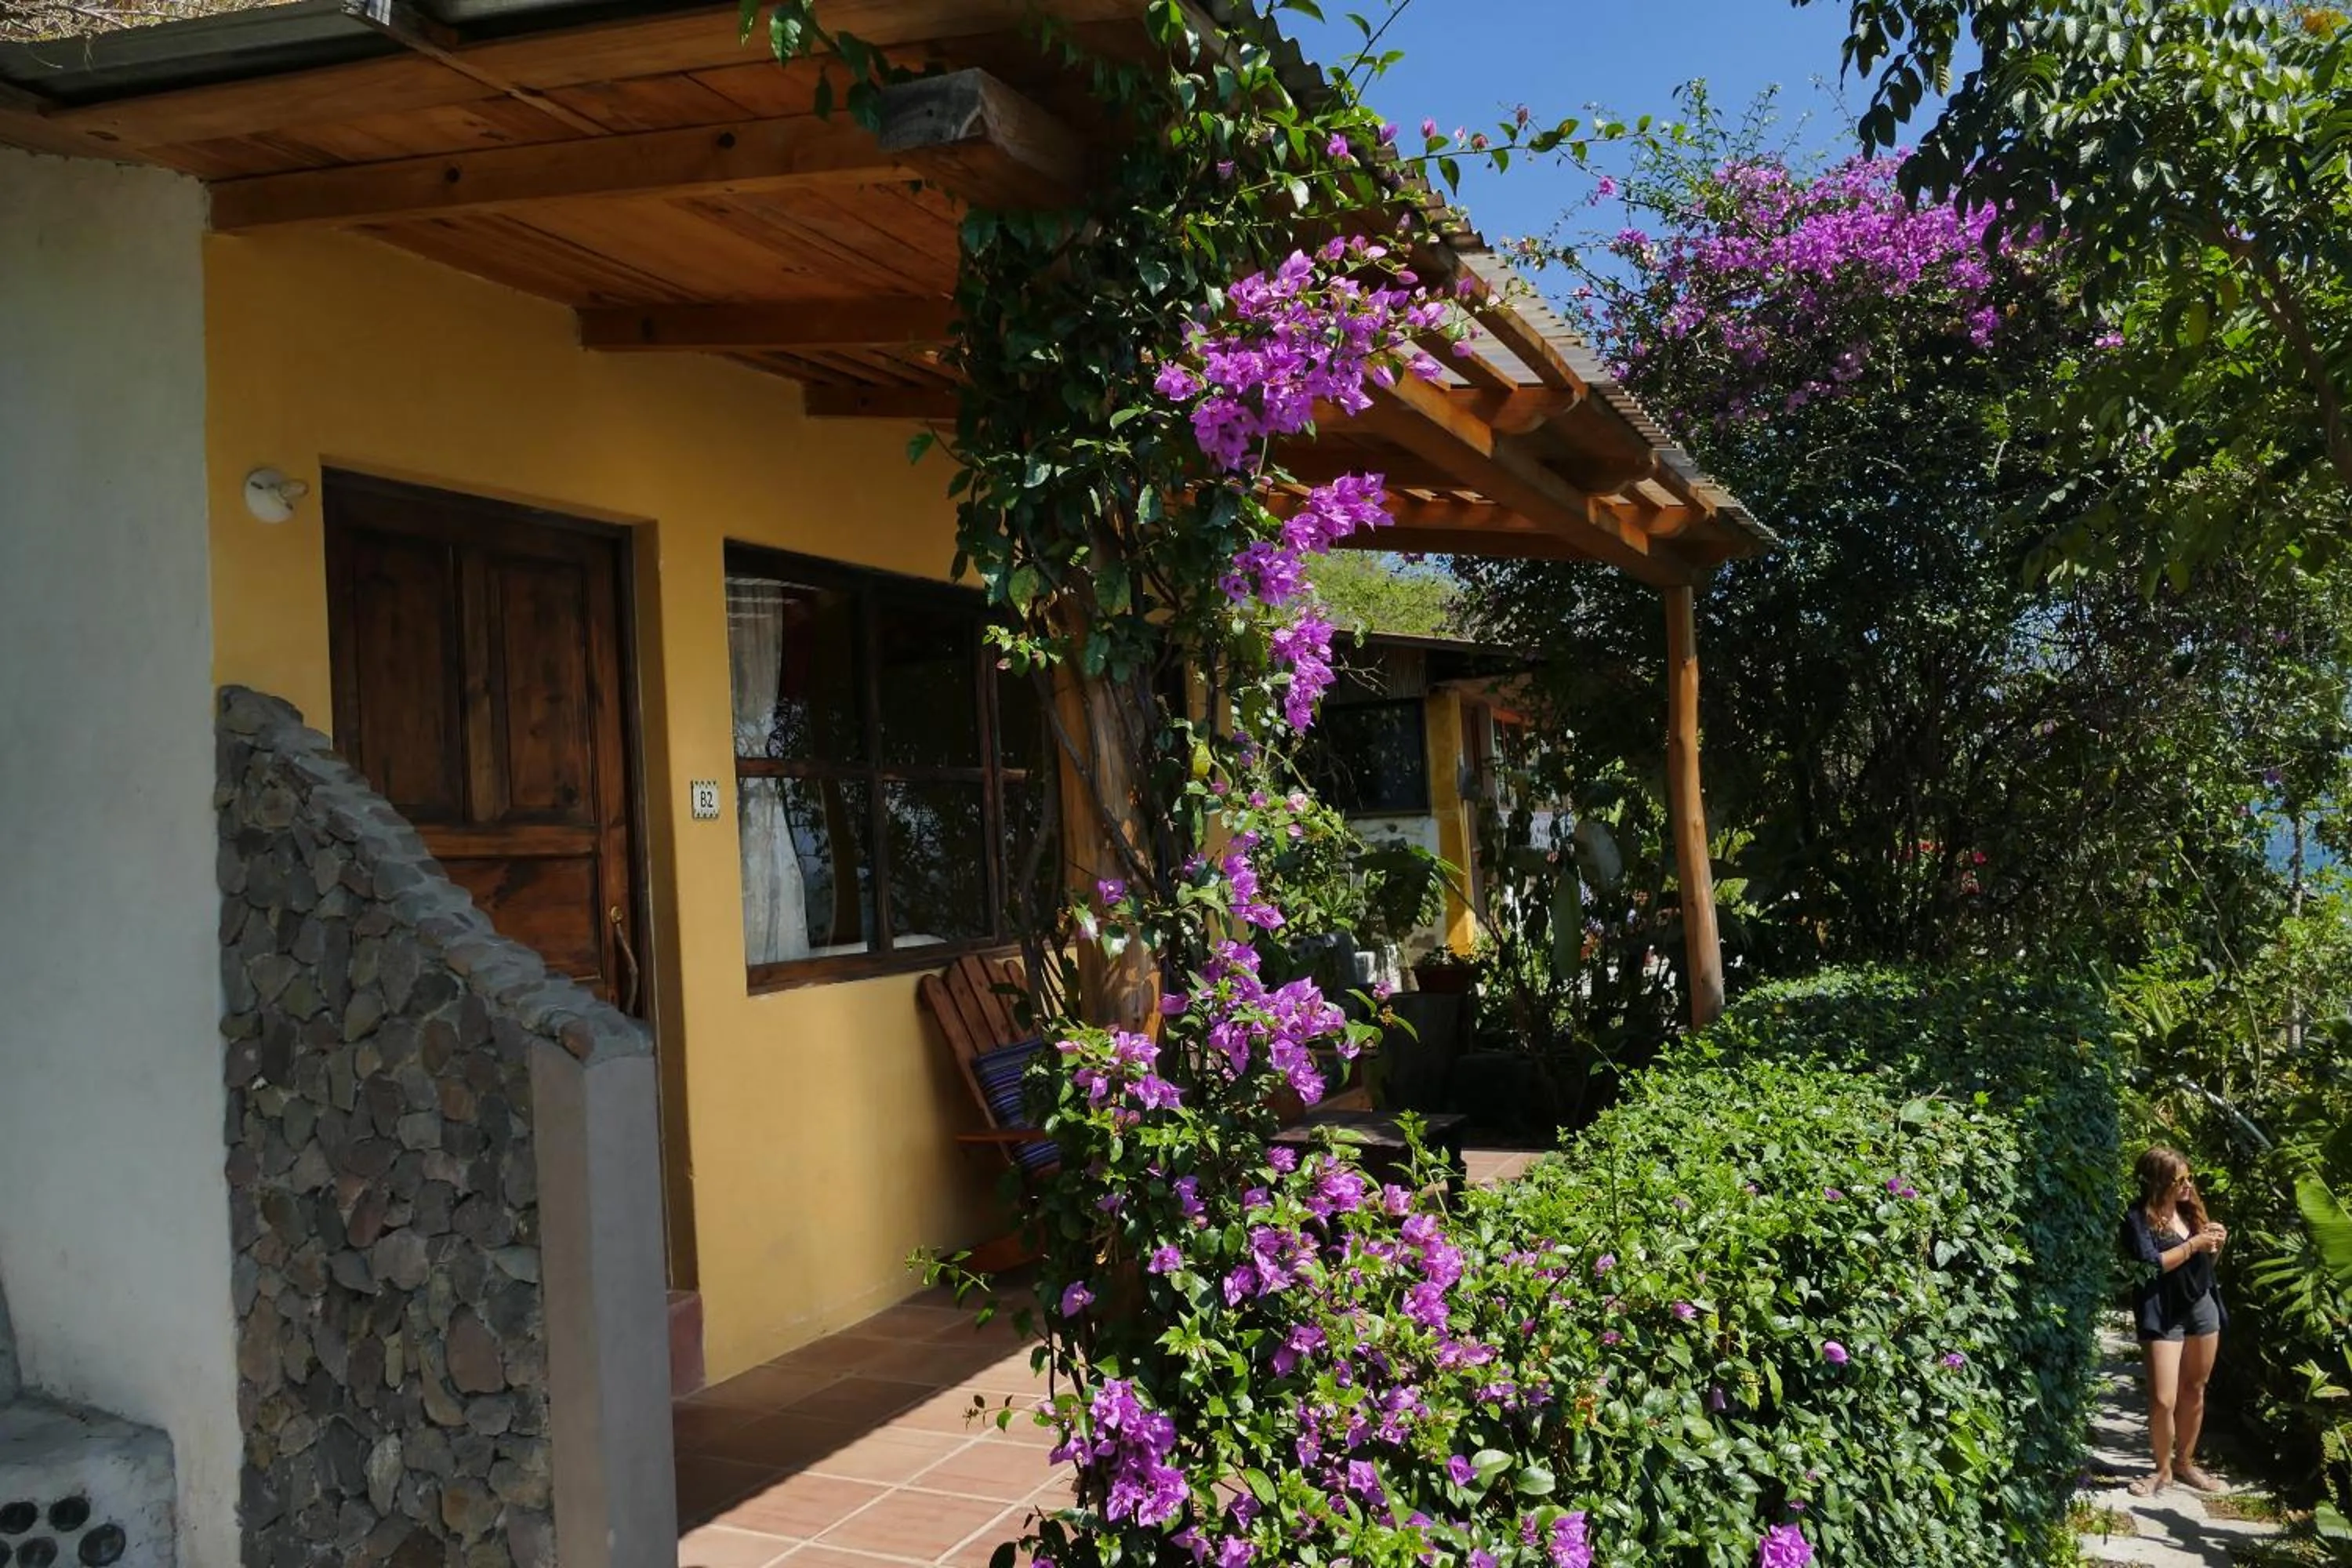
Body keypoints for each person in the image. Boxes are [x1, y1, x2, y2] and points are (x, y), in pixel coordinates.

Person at [2119, 1145, 2230, 1496]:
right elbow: (2151, 1265)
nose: (2187, 1186)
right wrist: (2195, 1244)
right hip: (2162, 1310)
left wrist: (2215, 1245)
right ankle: (2162, 1471)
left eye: (2189, 1178)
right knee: (2163, 1398)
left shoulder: (2191, 1211)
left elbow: (2204, 1265)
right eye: (2179, 1180)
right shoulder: (2137, 1218)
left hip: (2201, 1306)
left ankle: (2184, 1463)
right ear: (2157, 1182)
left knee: (2195, 1389)